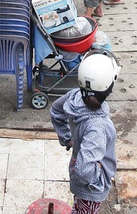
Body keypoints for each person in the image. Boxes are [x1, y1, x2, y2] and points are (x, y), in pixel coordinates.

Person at [50, 51, 120, 214]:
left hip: (80, 181)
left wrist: (67, 139)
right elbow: (84, 169)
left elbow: (55, 111)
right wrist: (99, 180)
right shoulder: (98, 127)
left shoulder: (73, 97)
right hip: (91, 191)